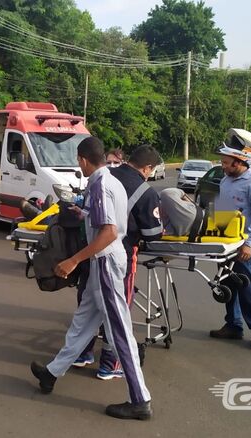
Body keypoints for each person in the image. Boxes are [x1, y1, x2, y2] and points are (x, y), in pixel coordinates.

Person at [30, 136, 152, 421]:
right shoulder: (110, 181)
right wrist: (83, 212)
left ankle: (140, 399)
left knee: (119, 332)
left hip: (106, 262)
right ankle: (51, 373)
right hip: (103, 264)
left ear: (83, 160)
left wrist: (73, 260)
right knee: (82, 322)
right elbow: (106, 219)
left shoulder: (99, 184)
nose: (78, 165)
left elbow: (109, 231)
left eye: (78, 161)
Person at [71, 145, 164, 380]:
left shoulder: (104, 176)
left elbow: (88, 211)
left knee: (89, 305)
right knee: (117, 311)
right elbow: (152, 233)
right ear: (148, 168)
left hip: (91, 252)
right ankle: (110, 365)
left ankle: (82, 353)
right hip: (118, 256)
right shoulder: (146, 191)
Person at [209, 128, 251, 351]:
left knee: (247, 287)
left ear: (239, 162)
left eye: (226, 163)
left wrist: (250, 244)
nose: (223, 166)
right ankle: (233, 325)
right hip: (226, 242)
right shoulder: (226, 181)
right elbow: (222, 210)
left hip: (244, 244)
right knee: (226, 284)